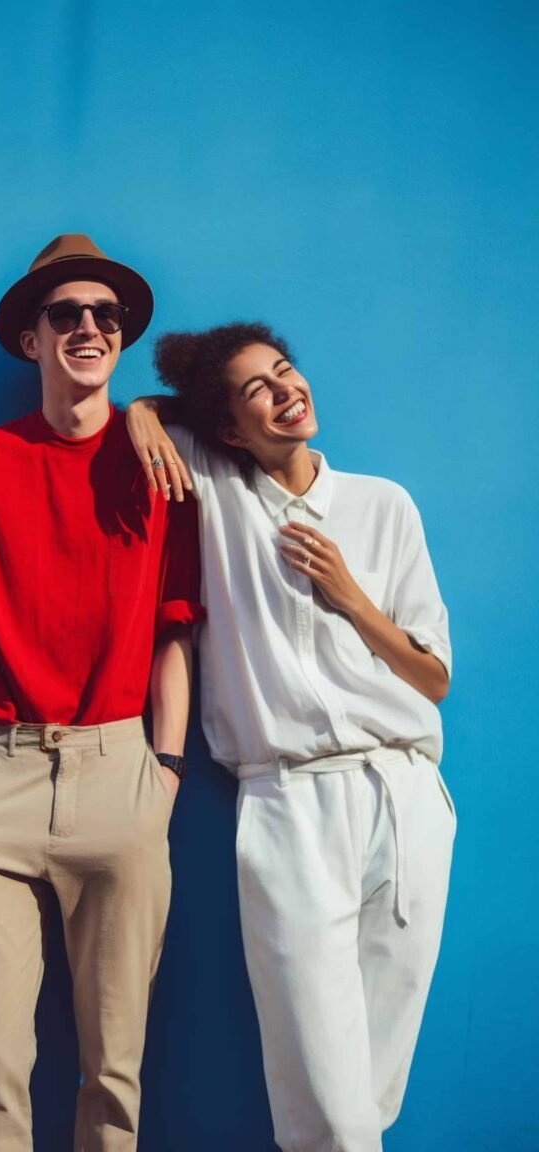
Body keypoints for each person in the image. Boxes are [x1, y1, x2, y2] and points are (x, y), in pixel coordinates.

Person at [127, 322, 455, 1152]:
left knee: (371, 1090)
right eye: (256, 390)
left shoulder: (385, 505)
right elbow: (157, 417)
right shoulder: (221, 495)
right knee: (326, 1093)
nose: (286, 390)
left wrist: (350, 595)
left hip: (404, 794)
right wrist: (138, 411)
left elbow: (434, 677)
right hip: (289, 800)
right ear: (228, 428)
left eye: (285, 371)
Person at [0, 234, 204, 1152]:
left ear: (120, 338)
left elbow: (175, 629)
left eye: (105, 315)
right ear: (31, 339)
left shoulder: (162, 470)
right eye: (65, 313)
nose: (88, 325)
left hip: (120, 771)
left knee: (115, 1068)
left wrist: (162, 767)